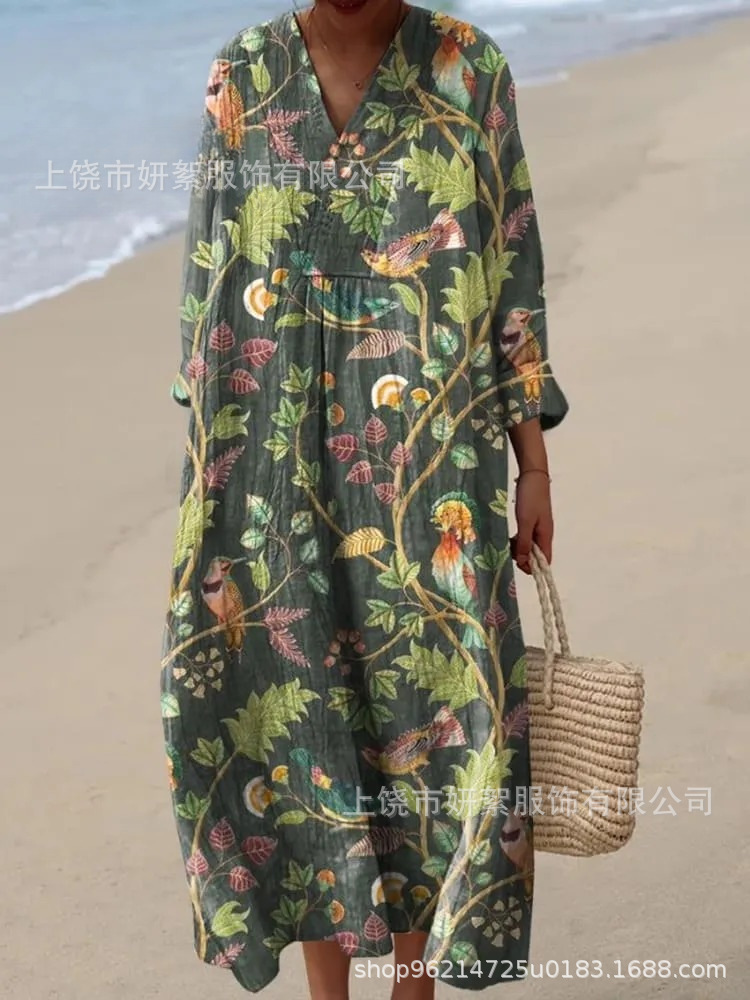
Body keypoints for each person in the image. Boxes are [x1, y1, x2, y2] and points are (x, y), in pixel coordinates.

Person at [160, 1, 569, 997]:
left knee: (434, 709)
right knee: (297, 717)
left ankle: (415, 986)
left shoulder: (470, 70)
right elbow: (209, 282)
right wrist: (208, 483)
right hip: (267, 461)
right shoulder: (245, 75)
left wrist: (535, 466)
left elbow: (511, 272)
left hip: (432, 472)